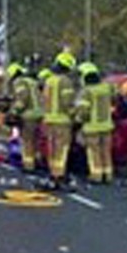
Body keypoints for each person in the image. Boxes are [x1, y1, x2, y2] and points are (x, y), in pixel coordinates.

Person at [74, 62, 115, 183]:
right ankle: (108, 175)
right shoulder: (106, 89)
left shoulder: (86, 92)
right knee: (106, 151)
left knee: (94, 153)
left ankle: (96, 176)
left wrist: (78, 121)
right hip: (107, 126)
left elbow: (84, 111)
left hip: (92, 127)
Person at [42, 50, 77, 182]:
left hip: (49, 119)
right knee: (62, 149)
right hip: (62, 121)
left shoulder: (49, 81)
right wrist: (74, 115)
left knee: (52, 148)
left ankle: (52, 172)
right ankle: (60, 174)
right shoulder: (65, 81)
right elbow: (67, 103)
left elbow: (44, 100)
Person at [6, 62, 43, 172]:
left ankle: (28, 166)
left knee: (27, 141)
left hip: (28, 115)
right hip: (39, 114)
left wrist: (13, 112)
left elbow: (22, 99)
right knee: (35, 140)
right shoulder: (32, 81)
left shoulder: (19, 82)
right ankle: (37, 161)